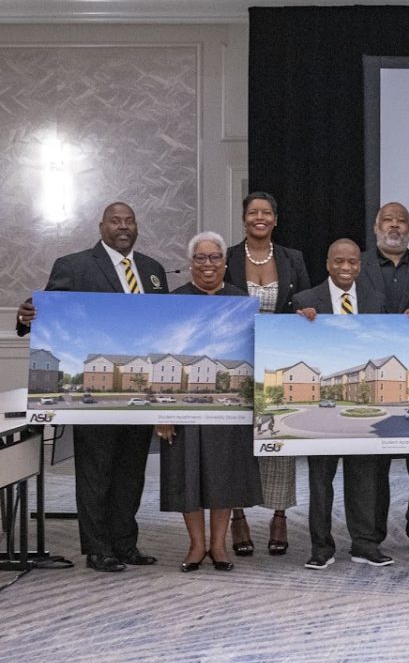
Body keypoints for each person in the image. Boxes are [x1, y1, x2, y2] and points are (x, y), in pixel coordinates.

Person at [15, 202, 168, 572]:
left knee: (131, 473)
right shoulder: (73, 266)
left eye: (130, 221)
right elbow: (47, 318)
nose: (123, 227)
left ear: (137, 226)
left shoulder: (153, 271)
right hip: (93, 390)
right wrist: (25, 319)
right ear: (101, 226)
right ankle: (98, 549)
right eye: (115, 221)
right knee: (96, 472)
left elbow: (166, 327)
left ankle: (124, 544)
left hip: (141, 392)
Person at [155, 232, 262, 572]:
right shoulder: (174, 302)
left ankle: (218, 545)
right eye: (200, 258)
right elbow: (161, 358)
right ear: (191, 264)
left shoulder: (240, 300)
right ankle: (196, 545)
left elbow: (254, 353)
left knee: (223, 473)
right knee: (187, 474)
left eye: (215, 257)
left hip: (228, 406)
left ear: (225, 263)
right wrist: (163, 411)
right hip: (183, 406)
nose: (208, 265)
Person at [293, 239, 394, 569]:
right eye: (339, 261)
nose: (346, 267)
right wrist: (297, 323)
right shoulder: (306, 301)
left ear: (360, 266)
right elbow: (291, 346)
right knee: (321, 481)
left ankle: (364, 543)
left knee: (364, 477)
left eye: (352, 262)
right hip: (323, 409)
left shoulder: (376, 300)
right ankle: (321, 547)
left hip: (359, 401)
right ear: (327, 263)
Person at [225, 191, 312, 557]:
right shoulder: (227, 257)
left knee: (279, 438)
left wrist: (308, 312)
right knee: (235, 443)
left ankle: (279, 515)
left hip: (279, 362)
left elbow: (308, 300)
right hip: (237, 363)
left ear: (275, 220)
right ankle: (237, 516)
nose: (259, 217)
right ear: (244, 218)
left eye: (266, 213)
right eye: (252, 212)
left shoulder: (293, 258)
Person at [357, 202, 409, 555]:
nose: (395, 226)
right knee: (374, 462)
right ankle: (371, 533)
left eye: (402, 221)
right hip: (376, 371)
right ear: (376, 227)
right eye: (388, 220)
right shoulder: (357, 264)